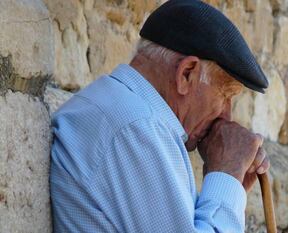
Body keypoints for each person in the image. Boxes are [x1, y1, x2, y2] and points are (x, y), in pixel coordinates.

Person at [50, 0, 271, 232]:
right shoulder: (136, 127)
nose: (226, 116)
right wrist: (228, 175)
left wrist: (227, 184)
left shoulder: (125, 113)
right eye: (225, 95)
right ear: (186, 74)